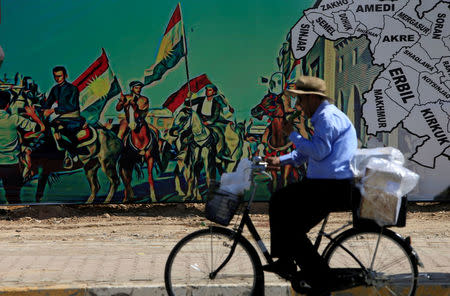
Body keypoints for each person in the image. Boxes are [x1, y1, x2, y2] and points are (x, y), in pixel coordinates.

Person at [262, 76, 357, 296]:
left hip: (331, 188)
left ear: (313, 98)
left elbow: (318, 151)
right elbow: (310, 151)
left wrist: (292, 134)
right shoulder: (324, 117)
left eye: (301, 101)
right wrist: (281, 160)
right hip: (325, 186)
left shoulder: (327, 118)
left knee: (290, 224)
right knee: (281, 204)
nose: (298, 107)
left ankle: (320, 277)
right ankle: (288, 261)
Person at [0, 91, 45, 204]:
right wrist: (33, 115)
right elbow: (41, 128)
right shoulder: (15, 119)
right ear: (8, 105)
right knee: (13, 199)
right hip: (11, 165)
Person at [42, 66, 86, 169]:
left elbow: (72, 106)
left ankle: (73, 153)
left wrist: (53, 110)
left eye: (60, 76)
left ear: (65, 76)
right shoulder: (54, 89)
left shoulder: (73, 88)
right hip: (62, 117)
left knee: (60, 130)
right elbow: (47, 104)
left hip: (73, 116)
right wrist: (39, 109)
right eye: (55, 76)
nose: (57, 79)